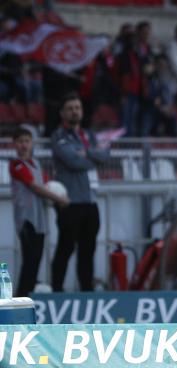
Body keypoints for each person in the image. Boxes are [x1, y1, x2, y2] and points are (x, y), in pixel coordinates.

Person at [50, 93, 110, 292]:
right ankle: (57, 290)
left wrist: (86, 153)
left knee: (88, 250)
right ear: (62, 113)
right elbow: (72, 161)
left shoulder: (89, 135)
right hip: (69, 202)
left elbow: (106, 155)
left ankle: (86, 293)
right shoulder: (59, 136)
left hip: (90, 202)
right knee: (66, 248)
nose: (75, 111)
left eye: (77, 107)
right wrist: (91, 155)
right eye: (70, 108)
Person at [10, 127, 70, 296]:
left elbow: (46, 185)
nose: (24, 145)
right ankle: (21, 296)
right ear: (15, 144)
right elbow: (35, 187)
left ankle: (29, 292)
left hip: (40, 220)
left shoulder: (36, 164)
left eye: (27, 141)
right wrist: (59, 199)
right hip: (26, 220)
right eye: (20, 141)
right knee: (29, 260)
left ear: (32, 143)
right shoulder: (16, 165)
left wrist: (58, 194)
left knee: (36, 260)